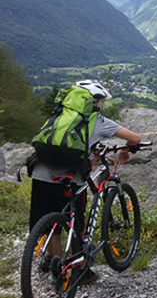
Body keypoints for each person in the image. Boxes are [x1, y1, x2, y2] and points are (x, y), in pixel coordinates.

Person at [29, 80, 141, 284]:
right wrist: (125, 150)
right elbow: (135, 138)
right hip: (68, 178)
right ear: (95, 102)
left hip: (39, 172)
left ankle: (55, 261)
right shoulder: (97, 120)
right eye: (99, 101)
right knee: (76, 222)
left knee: (52, 223)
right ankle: (80, 271)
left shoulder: (59, 114)